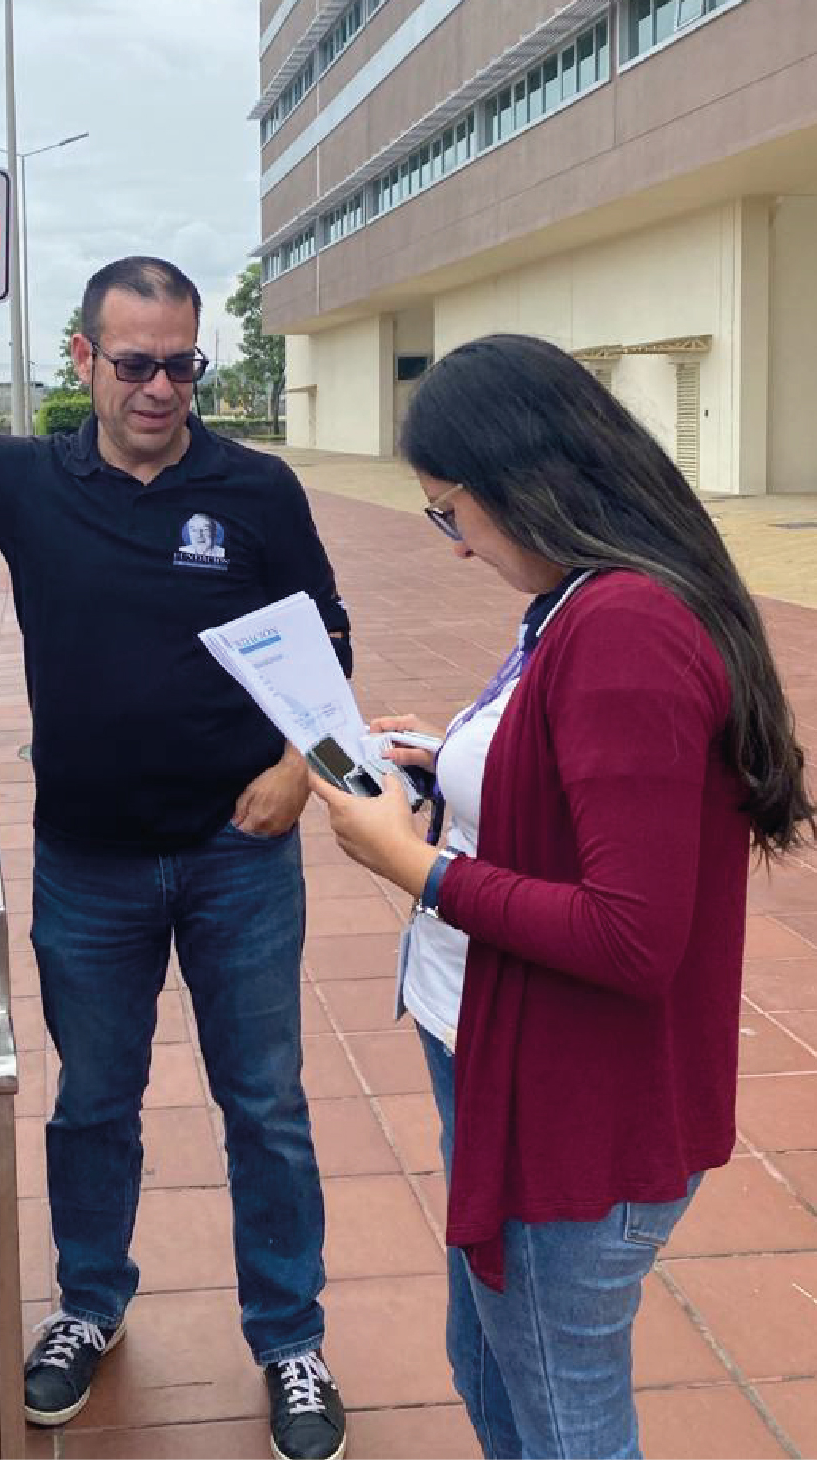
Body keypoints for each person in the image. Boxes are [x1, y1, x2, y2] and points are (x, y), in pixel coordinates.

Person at [310, 333, 815, 1459]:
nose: (450, 546)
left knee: (561, 1417)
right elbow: (588, 786)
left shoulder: (621, 626)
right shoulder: (585, 599)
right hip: (521, 1068)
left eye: (450, 513)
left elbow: (630, 934)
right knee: (495, 1372)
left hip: (574, 1105)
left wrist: (410, 863)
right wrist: (454, 758)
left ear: (524, 485)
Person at [0, 256, 353, 1460]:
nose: (161, 387)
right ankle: (87, 1305)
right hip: (88, 862)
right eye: (135, 362)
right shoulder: (20, 477)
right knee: (92, 1102)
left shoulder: (252, 489)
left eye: (181, 363)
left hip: (236, 851)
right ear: (83, 360)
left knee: (262, 1103)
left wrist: (293, 765)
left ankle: (288, 1335)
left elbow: (328, 637)